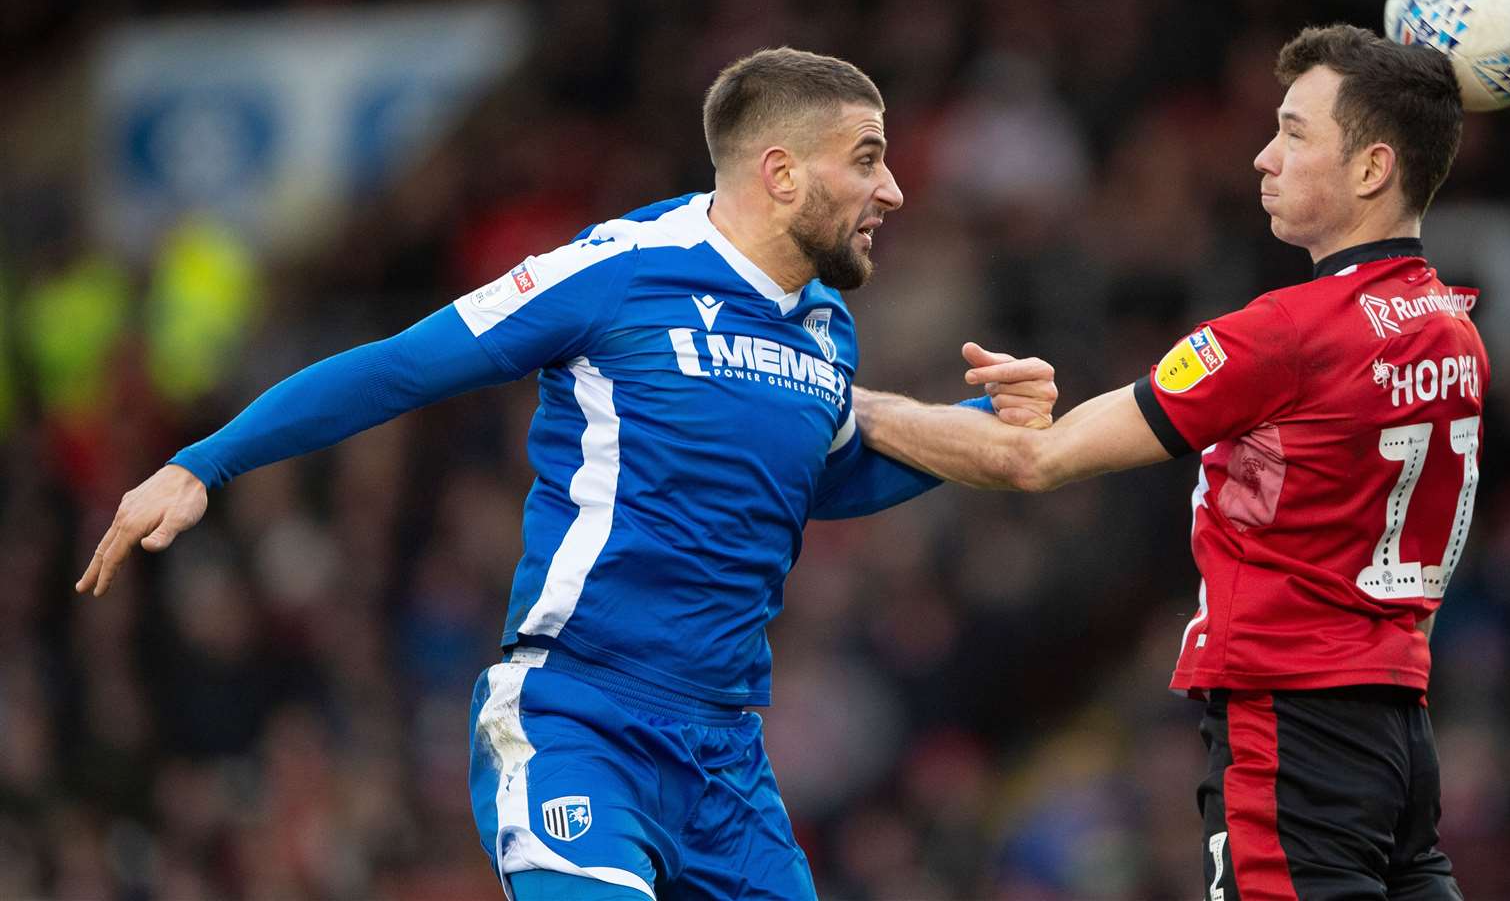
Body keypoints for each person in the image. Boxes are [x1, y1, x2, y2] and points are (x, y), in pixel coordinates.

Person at [78, 47, 1058, 901]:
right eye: (867, 160)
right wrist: (205, 462)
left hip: (724, 762)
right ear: (782, 174)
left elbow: (816, 484)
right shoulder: (617, 270)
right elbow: (400, 365)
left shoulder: (823, 328)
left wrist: (983, 428)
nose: (891, 192)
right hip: (578, 720)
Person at [855, 24, 1483, 900]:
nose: (1263, 158)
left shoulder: (1285, 334)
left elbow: (1039, 461)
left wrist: (855, 406)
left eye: (1294, 133)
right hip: (1396, 730)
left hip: (1289, 730)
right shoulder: (1452, 328)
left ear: (1373, 168)